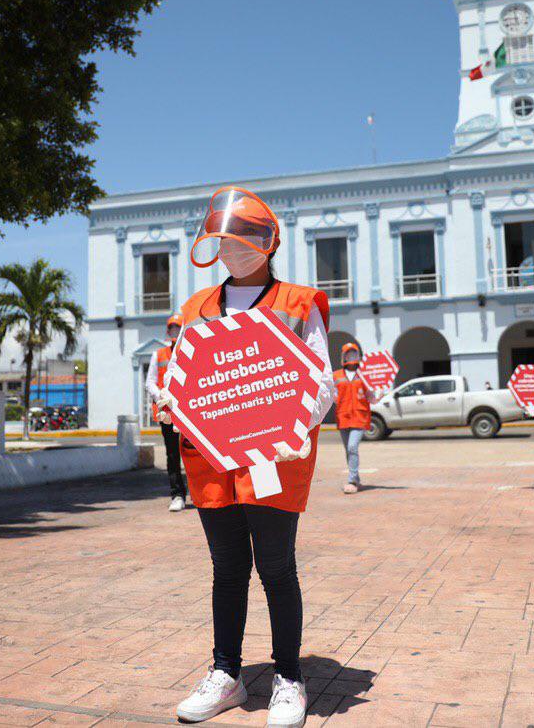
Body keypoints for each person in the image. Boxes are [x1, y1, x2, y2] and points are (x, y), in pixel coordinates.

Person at [154, 186, 334, 728]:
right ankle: (226, 674)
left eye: (243, 238)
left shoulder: (298, 303)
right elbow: (186, 377)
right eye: (224, 240)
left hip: (273, 459)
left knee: (277, 567)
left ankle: (288, 678)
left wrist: (292, 423)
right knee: (227, 568)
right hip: (210, 460)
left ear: (268, 242)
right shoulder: (196, 308)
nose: (232, 248)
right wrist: (169, 401)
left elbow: (320, 380)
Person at [145, 313, 189, 512]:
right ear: (167, 330)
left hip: (189, 413)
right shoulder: (158, 354)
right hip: (168, 413)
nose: (175, 331)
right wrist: (161, 394)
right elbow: (150, 382)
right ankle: (177, 495)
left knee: (193, 453)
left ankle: (198, 491)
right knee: (172, 455)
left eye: (178, 328)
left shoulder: (189, 350)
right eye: (172, 328)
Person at [332, 342, 376, 494]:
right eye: (348, 354)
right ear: (343, 357)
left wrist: (377, 393)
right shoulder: (336, 375)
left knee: (352, 447)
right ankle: (356, 479)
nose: (351, 357)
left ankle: (351, 480)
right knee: (348, 450)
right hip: (343, 417)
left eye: (353, 353)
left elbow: (372, 398)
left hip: (359, 417)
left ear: (358, 355)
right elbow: (332, 395)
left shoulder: (365, 375)